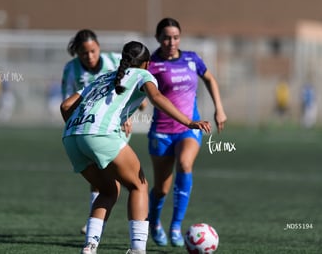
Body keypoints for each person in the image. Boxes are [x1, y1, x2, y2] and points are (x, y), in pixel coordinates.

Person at [60, 41, 211, 254]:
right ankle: (138, 249)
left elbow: (66, 105)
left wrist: (81, 130)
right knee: (139, 185)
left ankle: (90, 247)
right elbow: (157, 98)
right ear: (146, 63)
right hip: (100, 134)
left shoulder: (103, 77)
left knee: (108, 190)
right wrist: (188, 122)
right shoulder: (143, 75)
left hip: (71, 137)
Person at [147, 18, 227, 247]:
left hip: (189, 129)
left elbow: (210, 79)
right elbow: (141, 89)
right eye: (166, 37)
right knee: (161, 188)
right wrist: (136, 109)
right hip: (161, 131)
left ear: (179, 37)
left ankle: (175, 225)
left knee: (185, 164)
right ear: (158, 39)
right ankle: (154, 223)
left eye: (175, 37)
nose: (171, 42)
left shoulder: (192, 59)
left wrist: (219, 109)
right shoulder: (151, 63)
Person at [62, 29, 122, 234]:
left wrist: (133, 112)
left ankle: (96, 225)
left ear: (99, 48)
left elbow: (137, 78)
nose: (89, 56)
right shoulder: (71, 69)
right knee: (103, 176)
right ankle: (95, 224)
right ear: (77, 54)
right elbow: (67, 104)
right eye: (84, 53)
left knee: (116, 179)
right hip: (89, 127)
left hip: (116, 124)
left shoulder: (115, 60)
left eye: (93, 51)